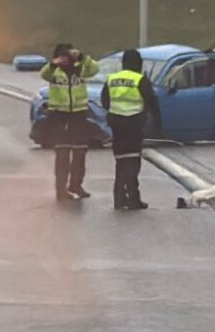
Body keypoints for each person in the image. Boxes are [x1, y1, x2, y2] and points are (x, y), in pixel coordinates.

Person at [39, 43, 103, 201]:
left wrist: (81, 57)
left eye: (68, 57)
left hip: (78, 114)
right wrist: (54, 63)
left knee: (80, 152)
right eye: (62, 57)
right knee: (62, 154)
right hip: (59, 116)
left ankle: (76, 185)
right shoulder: (54, 72)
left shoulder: (80, 69)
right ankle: (60, 189)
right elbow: (44, 74)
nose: (65, 61)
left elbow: (95, 69)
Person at [100, 49, 161, 210]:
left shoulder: (112, 79)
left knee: (121, 162)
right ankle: (134, 199)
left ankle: (119, 198)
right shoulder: (140, 80)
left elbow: (105, 101)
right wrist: (158, 126)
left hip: (117, 126)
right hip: (134, 125)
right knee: (133, 162)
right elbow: (152, 102)